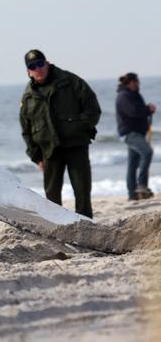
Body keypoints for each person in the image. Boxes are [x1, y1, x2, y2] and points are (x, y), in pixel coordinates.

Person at [18, 50, 101, 218]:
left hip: (76, 146)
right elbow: (26, 129)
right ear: (28, 72)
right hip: (49, 151)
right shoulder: (28, 96)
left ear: (47, 63)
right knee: (52, 197)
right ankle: (59, 228)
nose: (38, 69)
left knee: (82, 192)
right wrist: (36, 156)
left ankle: (86, 226)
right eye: (33, 67)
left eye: (40, 64)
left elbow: (93, 109)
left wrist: (78, 128)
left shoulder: (71, 82)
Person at [116, 72, 155, 200]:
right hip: (130, 133)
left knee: (133, 163)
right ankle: (142, 185)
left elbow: (139, 109)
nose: (138, 84)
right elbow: (134, 111)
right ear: (131, 82)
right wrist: (147, 109)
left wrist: (147, 109)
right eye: (136, 82)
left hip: (137, 132)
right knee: (147, 152)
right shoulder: (124, 96)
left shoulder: (133, 95)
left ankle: (133, 195)